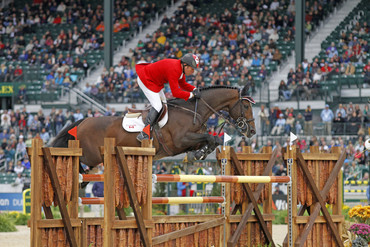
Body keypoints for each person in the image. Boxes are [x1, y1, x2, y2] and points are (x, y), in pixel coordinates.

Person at [135, 53, 201, 142]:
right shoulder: (175, 69)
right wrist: (191, 95)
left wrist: (194, 89)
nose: (193, 71)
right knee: (158, 106)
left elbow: (183, 84)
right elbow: (175, 92)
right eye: (192, 69)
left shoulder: (180, 69)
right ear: (185, 65)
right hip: (146, 79)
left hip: (154, 81)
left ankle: (155, 129)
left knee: (164, 104)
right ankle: (144, 133)